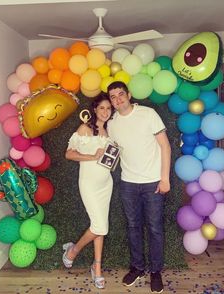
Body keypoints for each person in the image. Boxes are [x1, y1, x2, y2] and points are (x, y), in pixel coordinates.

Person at [107, 81, 171, 294]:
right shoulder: (112, 123)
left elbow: (165, 146)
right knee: (133, 227)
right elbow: (113, 152)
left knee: (154, 228)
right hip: (128, 184)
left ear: (129, 94)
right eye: (113, 97)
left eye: (120, 94)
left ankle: (155, 271)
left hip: (153, 182)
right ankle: (137, 267)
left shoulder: (148, 114)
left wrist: (165, 179)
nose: (117, 99)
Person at [63, 93, 114, 289]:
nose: (105, 112)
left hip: (106, 184)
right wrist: (93, 156)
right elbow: (69, 154)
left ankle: (97, 268)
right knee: (100, 226)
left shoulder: (111, 132)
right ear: (94, 109)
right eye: (102, 108)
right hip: (89, 184)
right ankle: (73, 251)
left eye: (109, 108)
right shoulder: (85, 129)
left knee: (99, 223)